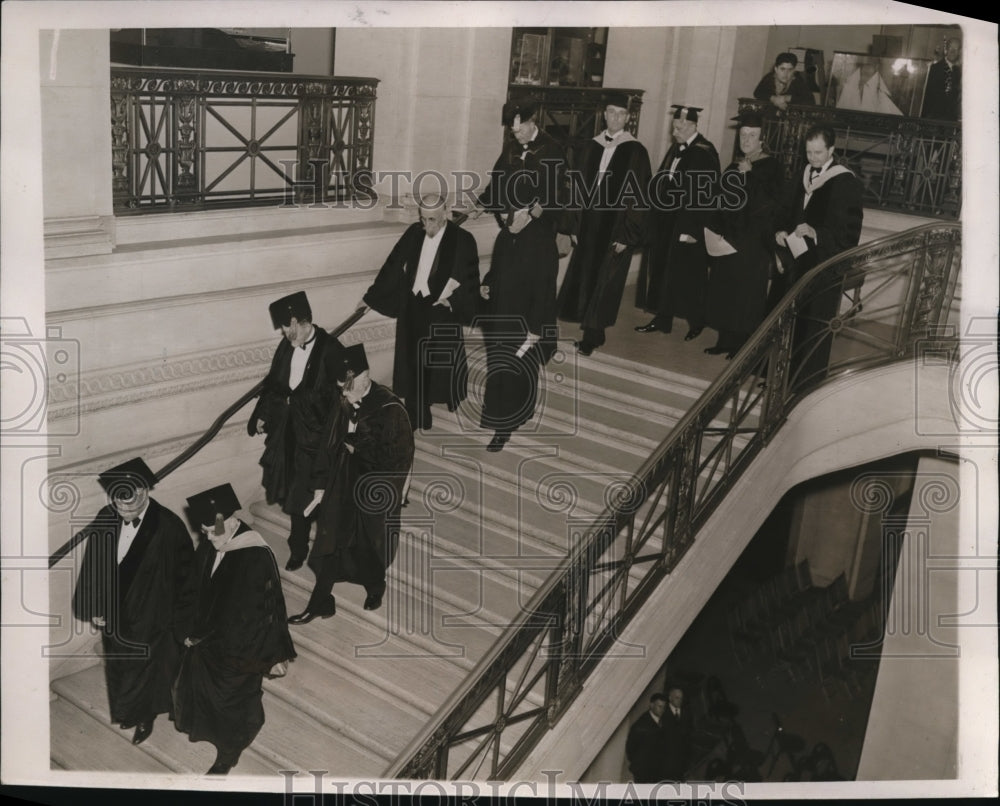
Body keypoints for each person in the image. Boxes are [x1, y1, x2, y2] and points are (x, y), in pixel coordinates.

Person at [71, 457, 196, 747]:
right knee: (120, 666)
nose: (124, 512)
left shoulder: (169, 526)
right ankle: (127, 710)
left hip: (153, 614)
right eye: (119, 504)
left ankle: (145, 717)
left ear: (145, 492)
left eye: (131, 503)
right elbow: (93, 565)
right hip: (115, 612)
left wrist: (179, 621)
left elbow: (186, 578)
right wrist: (95, 608)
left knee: (148, 669)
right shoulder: (106, 516)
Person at [172, 483, 296, 775]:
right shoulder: (214, 541)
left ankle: (230, 752)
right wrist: (188, 630)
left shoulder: (254, 556)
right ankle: (207, 729)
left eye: (212, 530)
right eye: (204, 531)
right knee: (200, 690)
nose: (208, 537)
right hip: (206, 642)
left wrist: (204, 637)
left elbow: (256, 615)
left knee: (232, 700)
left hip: (240, 647)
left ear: (231, 521)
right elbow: (195, 589)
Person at [288, 344, 415, 623]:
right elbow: (328, 443)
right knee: (331, 538)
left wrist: (358, 448)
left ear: (365, 377)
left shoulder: (390, 408)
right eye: (341, 388)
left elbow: (399, 458)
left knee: (370, 541)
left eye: (347, 387)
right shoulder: (344, 398)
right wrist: (321, 484)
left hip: (374, 486)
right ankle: (319, 602)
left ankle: (375, 588)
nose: (343, 394)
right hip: (343, 480)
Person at [471, 99, 570, 452]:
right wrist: (477, 205)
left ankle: (507, 420)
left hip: (535, 244)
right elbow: (496, 184)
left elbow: (559, 194)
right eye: (511, 129)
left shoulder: (553, 150)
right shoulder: (513, 149)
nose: (514, 133)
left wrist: (535, 212)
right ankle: (504, 412)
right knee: (500, 339)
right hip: (511, 242)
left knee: (521, 341)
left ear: (533, 122)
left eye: (519, 127)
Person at [361, 194, 480, 430]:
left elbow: (470, 280)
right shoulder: (414, 233)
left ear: (446, 213)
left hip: (441, 311)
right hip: (413, 306)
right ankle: (417, 415)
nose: (428, 226)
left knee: (435, 364)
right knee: (413, 361)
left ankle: (431, 406)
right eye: (424, 220)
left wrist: (453, 301)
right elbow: (392, 266)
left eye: (433, 220)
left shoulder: (463, 240)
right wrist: (370, 298)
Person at [248, 291, 344, 572]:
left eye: (287, 326)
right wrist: (264, 415)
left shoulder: (331, 348)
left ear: (302, 321)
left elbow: (341, 399)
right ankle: (298, 548)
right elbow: (275, 383)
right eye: (283, 328)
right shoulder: (286, 345)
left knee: (317, 496)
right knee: (295, 494)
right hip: (289, 435)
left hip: (318, 440)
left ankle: (324, 552)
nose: (285, 333)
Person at [557, 92, 652, 356]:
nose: (615, 118)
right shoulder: (590, 146)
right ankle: (591, 331)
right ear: (604, 114)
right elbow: (576, 187)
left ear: (628, 118)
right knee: (587, 277)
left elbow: (640, 196)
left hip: (616, 227)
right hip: (589, 226)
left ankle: (593, 336)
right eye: (611, 112)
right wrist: (574, 226)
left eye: (621, 114)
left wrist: (628, 234)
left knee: (606, 282)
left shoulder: (636, 151)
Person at [774, 125, 863, 386]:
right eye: (808, 152)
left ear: (832, 150)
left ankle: (804, 382)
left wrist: (816, 233)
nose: (812, 158)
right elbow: (785, 210)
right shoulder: (801, 175)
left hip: (823, 267)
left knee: (812, 326)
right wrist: (780, 230)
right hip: (795, 263)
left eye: (818, 152)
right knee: (787, 321)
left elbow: (849, 231)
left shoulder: (845, 182)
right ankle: (781, 376)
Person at [636, 104, 721, 340]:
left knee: (690, 276)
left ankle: (697, 321)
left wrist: (693, 230)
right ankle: (663, 319)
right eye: (675, 126)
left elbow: (706, 197)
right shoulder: (677, 148)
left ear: (694, 126)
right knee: (666, 273)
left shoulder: (704, 152)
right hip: (669, 222)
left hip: (689, 226)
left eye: (681, 127)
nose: (676, 131)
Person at [704, 112, 784, 358]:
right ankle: (725, 339)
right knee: (726, 289)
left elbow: (770, 205)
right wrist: (715, 229)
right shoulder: (732, 165)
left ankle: (743, 345)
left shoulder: (772, 167)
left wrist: (750, 174)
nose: (746, 140)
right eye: (743, 135)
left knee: (746, 294)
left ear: (762, 139)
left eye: (752, 135)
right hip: (729, 238)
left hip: (754, 242)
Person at [624, 692, 669, 783]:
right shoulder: (641, 724)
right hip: (644, 771)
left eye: (664, 707)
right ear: (651, 705)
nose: (662, 710)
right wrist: (640, 764)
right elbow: (631, 748)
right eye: (659, 706)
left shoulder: (663, 722)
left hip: (657, 770)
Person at [836, 58, 903, 115]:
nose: (866, 79)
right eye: (863, 74)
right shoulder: (849, 90)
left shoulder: (879, 94)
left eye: (868, 76)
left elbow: (892, 113)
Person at [922, 38, 961, 121]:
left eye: (956, 49)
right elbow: (928, 97)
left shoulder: (958, 72)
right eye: (950, 48)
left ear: (959, 52)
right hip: (933, 118)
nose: (953, 52)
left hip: (950, 120)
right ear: (945, 50)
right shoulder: (934, 69)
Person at [661, 685, 694, 781]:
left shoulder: (687, 714)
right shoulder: (662, 713)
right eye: (677, 698)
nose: (679, 700)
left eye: (681, 698)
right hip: (665, 759)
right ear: (670, 698)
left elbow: (689, 736)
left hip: (681, 761)